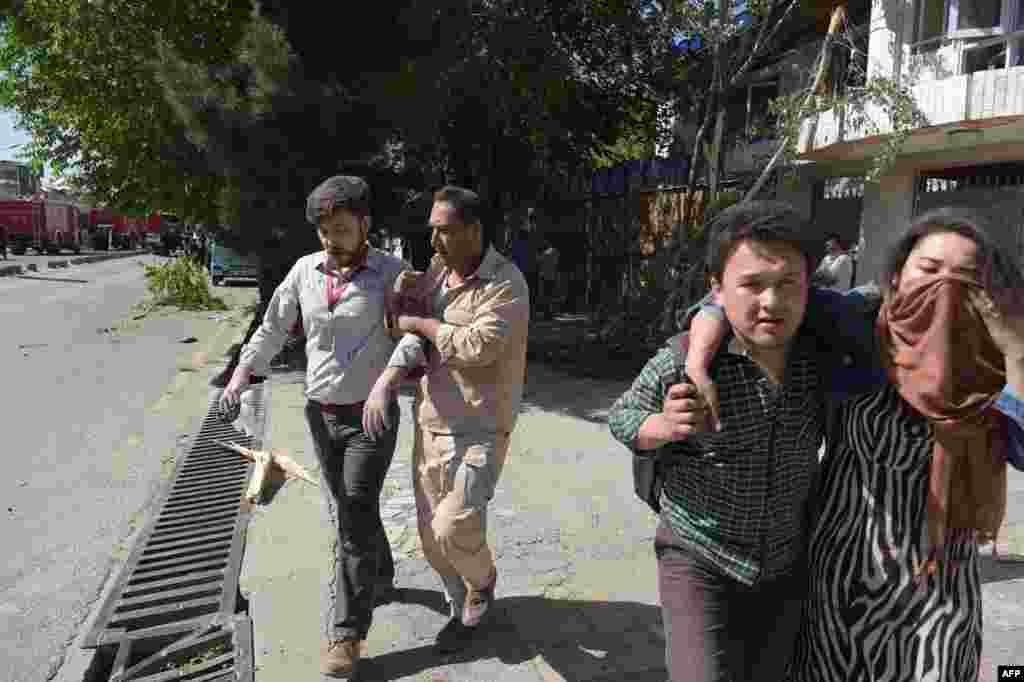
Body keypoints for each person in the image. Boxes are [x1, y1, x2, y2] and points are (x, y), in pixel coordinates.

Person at [679, 207, 1024, 681]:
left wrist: (1015, 351)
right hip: (842, 568)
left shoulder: (992, 357)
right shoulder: (860, 323)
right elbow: (730, 301)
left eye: (966, 277)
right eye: (929, 270)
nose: (946, 287)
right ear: (898, 274)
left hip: (940, 575)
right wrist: (697, 361)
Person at [608, 200, 831, 682]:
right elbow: (622, 416)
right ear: (717, 289)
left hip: (785, 563)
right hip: (698, 557)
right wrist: (663, 427)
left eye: (788, 284)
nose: (771, 302)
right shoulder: (683, 360)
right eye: (751, 285)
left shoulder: (823, 357)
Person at [219, 175, 411, 679]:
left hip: (372, 414)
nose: (331, 239)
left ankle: (346, 635)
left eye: (342, 228)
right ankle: (382, 571)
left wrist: (390, 381)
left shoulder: (392, 274)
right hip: (320, 414)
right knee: (354, 508)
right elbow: (274, 324)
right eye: (324, 230)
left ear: (365, 225)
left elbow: (416, 336)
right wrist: (242, 373)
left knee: (350, 514)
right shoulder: (306, 271)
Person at [363, 185, 530, 654]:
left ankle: (484, 581)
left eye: (444, 231)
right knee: (430, 539)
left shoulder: (506, 284)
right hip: (430, 422)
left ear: (473, 231)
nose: (433, 242)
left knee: (453, 526)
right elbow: (414, 339)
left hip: (481, 428)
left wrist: (421, 324)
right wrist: (386, 381)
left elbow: (476, 346)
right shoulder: (437, 276)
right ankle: (460, 610)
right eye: (431, 231)